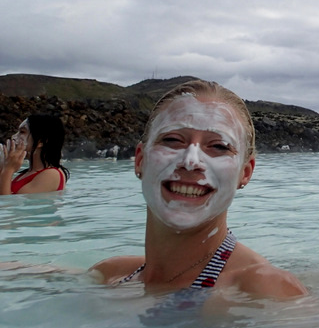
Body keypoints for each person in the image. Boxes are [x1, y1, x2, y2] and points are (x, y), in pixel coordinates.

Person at [90, 79, 306, 299]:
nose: (191, 161)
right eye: (173, 140)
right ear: (140, 160)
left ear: (245, 172)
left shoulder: (266, 290)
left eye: (219, 146)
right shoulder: (107, 275)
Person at [1, 114, 70, 195]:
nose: (13, 137)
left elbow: (7, 204)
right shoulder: (27, 173)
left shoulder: (51, 175)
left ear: (41, 141)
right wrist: (2, 168)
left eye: (22, 132)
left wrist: (8, 170)